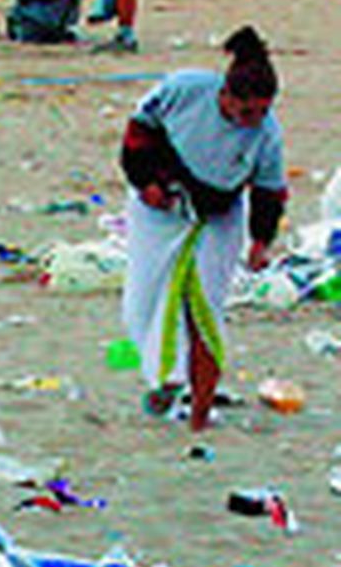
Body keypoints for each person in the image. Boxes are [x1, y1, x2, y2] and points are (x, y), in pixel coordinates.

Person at [120, 27, 286, 432]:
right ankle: (165, 377)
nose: (253, 122)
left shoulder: (267, 136)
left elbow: (268, 192)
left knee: (203, 310)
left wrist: (260, 241)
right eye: (247, 112)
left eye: (263, 112)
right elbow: (137, 135)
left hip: (217, 217)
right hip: (160, 208)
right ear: (225, 96)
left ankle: (199, 412)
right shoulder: (184, 91)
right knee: (144, 302)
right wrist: (147, 184)